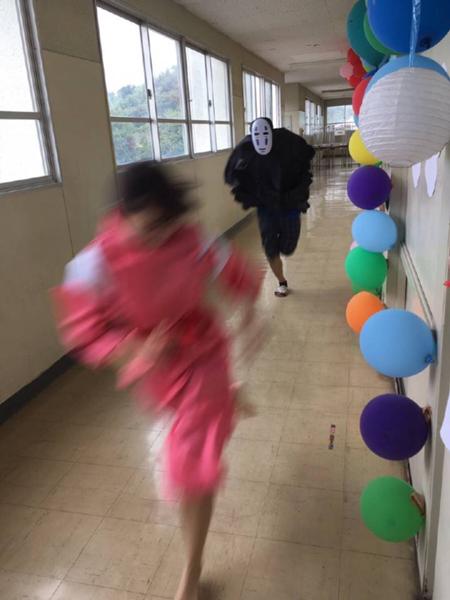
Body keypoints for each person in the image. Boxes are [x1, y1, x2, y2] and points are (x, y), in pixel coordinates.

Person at [52, 163, 263, 600]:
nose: (159, 237)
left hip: (202, 352)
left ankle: (192, 570)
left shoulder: (192, 240)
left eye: (166, 226)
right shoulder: (93, 264)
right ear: (122, 214)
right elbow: (84, 332)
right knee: (190, 442)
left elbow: (239, 276)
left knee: (190, 464)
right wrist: (133, 349)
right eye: (148, 228)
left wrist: (250, 314)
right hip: (155, 367)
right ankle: (225, 400)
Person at [225, 117, 315, 297]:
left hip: (289, 205)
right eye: (257, 135)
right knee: (270, 249)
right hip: (266, 207)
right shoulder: (246, 149)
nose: (261, 139)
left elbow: (305, 158)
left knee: (288, 248)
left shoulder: (287, 142)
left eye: (265, 134)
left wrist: (296, 190)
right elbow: (234, 173)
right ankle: (282, 282)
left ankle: (281, 249)